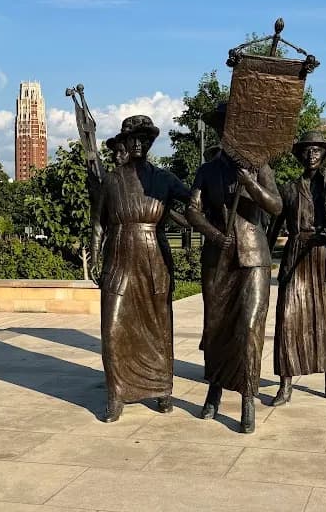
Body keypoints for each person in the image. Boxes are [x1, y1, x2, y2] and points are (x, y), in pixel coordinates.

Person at [185, 104, 282, 434]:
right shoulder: (207, 170)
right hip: (218, 258)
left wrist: (251, 184)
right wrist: (213, 234)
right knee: (216, 327)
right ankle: (214, 388)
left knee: (250, 327)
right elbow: (193, 210)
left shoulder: (259, 166)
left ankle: (248, 397)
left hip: (254, 256)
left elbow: (276, 205)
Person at [91, 115, 190, 422]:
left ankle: (161, 388)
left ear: (150, 143)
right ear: (125, 141)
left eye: (144, 139)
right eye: (133, 138)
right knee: (112, 325)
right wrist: (95, 258)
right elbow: (98, 223)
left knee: (158, 323)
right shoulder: (111, 180)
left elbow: (195, 203)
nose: (138, 144)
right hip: (119, 254)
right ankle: (116, 393)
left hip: (153, 255)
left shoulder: (164, 179)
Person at [268, 131, 326, 405]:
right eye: (307, 150)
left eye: (317, 150)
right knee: (288, 319)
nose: (311, 155)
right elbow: (273, 229)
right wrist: (262, 260)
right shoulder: (288, 190)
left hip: (325, 258)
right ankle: (285, 384)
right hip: (296, 256)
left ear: (323, 155)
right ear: (300, 155)